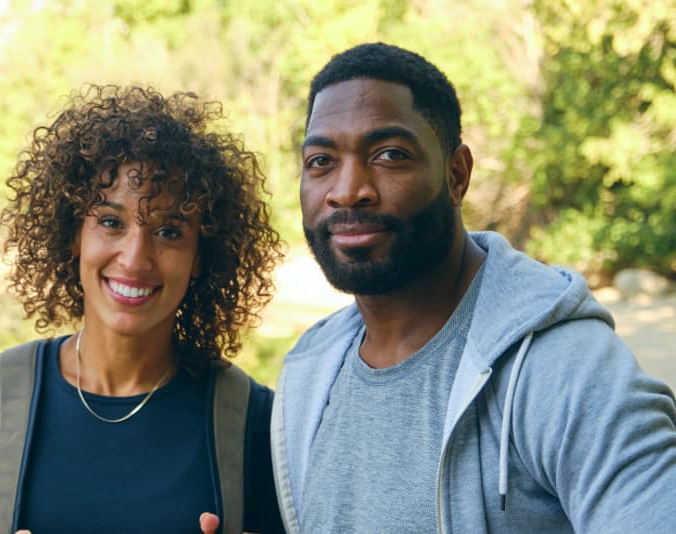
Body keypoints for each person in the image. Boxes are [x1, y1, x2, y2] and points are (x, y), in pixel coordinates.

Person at [269, 42, 676, 533]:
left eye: (389, 155)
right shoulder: (311, 372)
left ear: (457, 175)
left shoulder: (565, 367)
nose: (348, 190)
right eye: (321, 160)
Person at [0, 85, 285, 533]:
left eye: (169, 232)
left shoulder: (250, 420)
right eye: (111, 222)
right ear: (73, 235)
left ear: (200, 258)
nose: (135, 258)